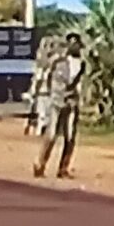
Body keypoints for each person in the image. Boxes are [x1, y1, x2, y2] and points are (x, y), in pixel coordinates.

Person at [31, 35, 86, 179]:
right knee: (52, 134)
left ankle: (63, 168)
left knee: (70, 137)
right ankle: (40, 164)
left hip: (72, 102)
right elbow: (49, 79)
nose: (75, 47)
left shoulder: (82, 64)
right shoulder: (58, 62)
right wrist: (52, 95)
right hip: (57, 101)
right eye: (72, 44)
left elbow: (78, 83)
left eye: (77, 45)